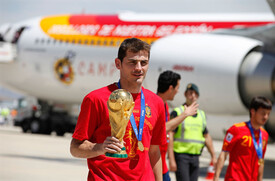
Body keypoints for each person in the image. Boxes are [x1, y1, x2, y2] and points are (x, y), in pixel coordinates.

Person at [70, 37, 167, 181]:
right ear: (118, 63)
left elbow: (154, 152)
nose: (139, 68)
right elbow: (75, 148)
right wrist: (101, 147)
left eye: (144, 63)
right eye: (132, 62)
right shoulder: (96, 99)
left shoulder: (157, 103)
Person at [214, 96, 272, 181]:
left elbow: (261, 160)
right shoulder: (236, 129)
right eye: (263, 113)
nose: (266, 117)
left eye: (268, 114)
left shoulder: (264, 135)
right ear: (253, 111)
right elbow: (223, 154)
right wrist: (216, 177)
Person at [168, 83, 216, 181]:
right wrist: (171, 159)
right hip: (181, 157)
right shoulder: (177, 112)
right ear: (185, 94)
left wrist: (213, 156)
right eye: (190, 93)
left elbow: (206, 136)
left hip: (195, 157)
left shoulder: (201, 115)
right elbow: (170, 136)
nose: (193, 96)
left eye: (195, 94)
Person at [156, 71, 198, 181]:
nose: (177, 91)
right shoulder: (154, 104)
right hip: (153, 165)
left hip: (162, 164)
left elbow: (168, 135)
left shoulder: (164, 105)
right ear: (171, 88)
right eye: (177, 87)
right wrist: (185, 114)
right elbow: (162, 129)